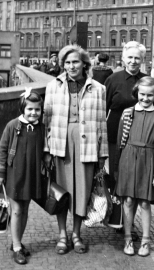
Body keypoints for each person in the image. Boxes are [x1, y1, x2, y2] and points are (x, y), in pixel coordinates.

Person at [43, 44, 108, 255]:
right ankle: (62, 234)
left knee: (82, 191)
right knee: (61, 192)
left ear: (84, 64)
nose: (71, 66)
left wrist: (103, 154)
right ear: (63, 65)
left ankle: (77, 234)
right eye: (67, 62)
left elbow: (101, 123)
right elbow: (47, 120)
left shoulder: (99, 88)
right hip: (60, 143)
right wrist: (46, 150)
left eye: (75, 62)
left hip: (87, 144)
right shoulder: (53, 86)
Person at [115, 76, 154, 257]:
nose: (145, 99)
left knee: (145, 202)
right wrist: (116, 168)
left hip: (149, 161)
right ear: (136, 93)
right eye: (142, 95)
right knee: (128, 200)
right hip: (128, 159)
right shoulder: (128, 113)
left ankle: (145, 240)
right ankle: (128, 237)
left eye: (150, 96)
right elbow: (119, 143)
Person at [0, 89, 44, 265]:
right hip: (15, 174)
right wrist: (0, 173)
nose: (33, 113)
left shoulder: (41, 127)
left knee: (24, 210)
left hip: (32, 175)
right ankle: (16, 247)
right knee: (16, 210)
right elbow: (2, 149)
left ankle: (18, 242)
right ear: (23, 108)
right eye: (29, 109)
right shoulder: (13, 125)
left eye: (37, 109)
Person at [105, 41, 146, 193]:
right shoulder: (113, 79)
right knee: (114, 171)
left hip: (139, 133)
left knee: (135, 172)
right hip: (115, 131)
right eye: (129, 57)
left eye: (137, 58)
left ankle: (130, 205)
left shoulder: (146, 81)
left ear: (142, 59)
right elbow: (104, 108)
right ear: (123, 59)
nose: (133, 61)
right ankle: (115, 209)